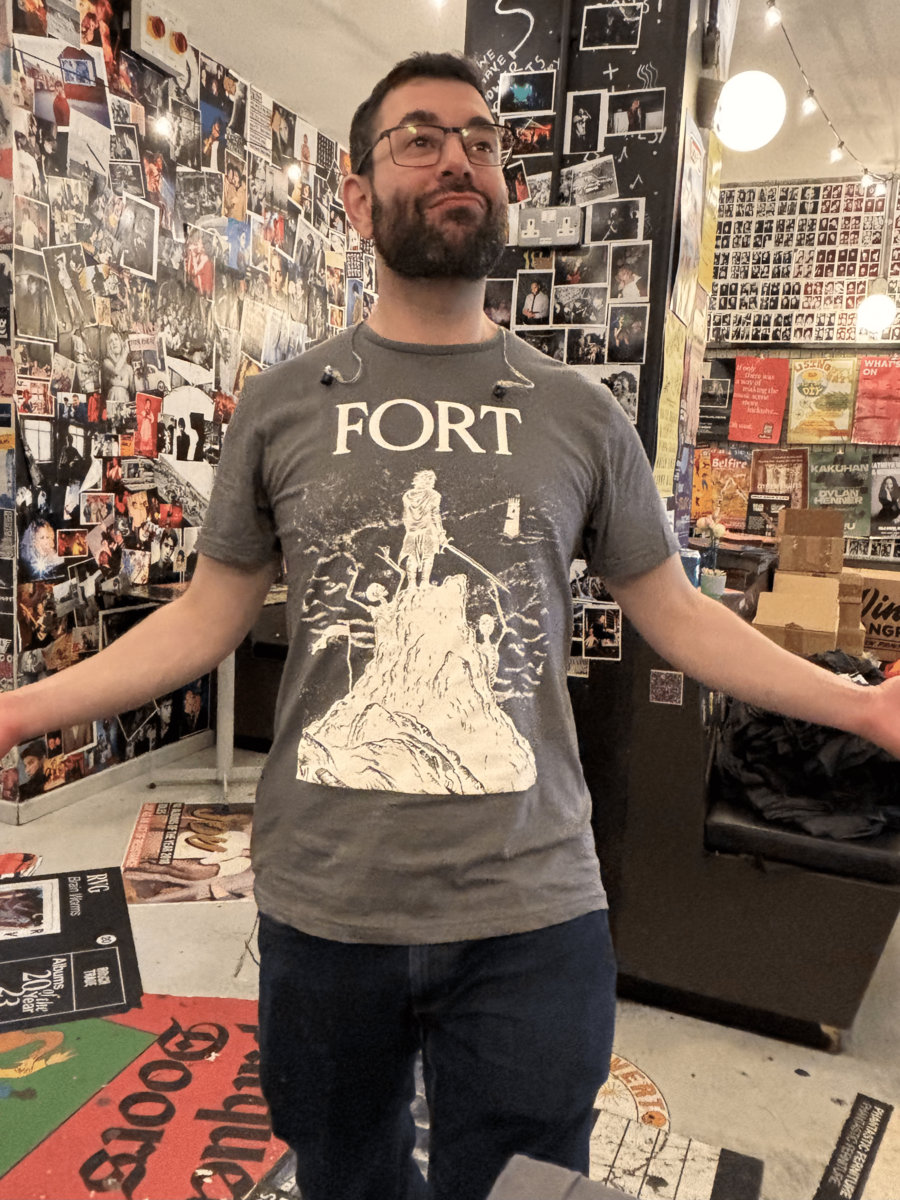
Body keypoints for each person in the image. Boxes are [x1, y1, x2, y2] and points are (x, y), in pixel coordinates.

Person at [0, 51, 898, 1200]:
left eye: (480, 141)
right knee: (346, 1178)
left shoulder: (581, 414)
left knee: (524, 1185)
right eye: (420, 138)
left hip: (532, 910)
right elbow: (200, 622)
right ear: (358, 193)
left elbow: (679, 615)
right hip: (327, 903)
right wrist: (20, 712)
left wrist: (863, 709)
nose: (458, 158)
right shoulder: (282, 405)